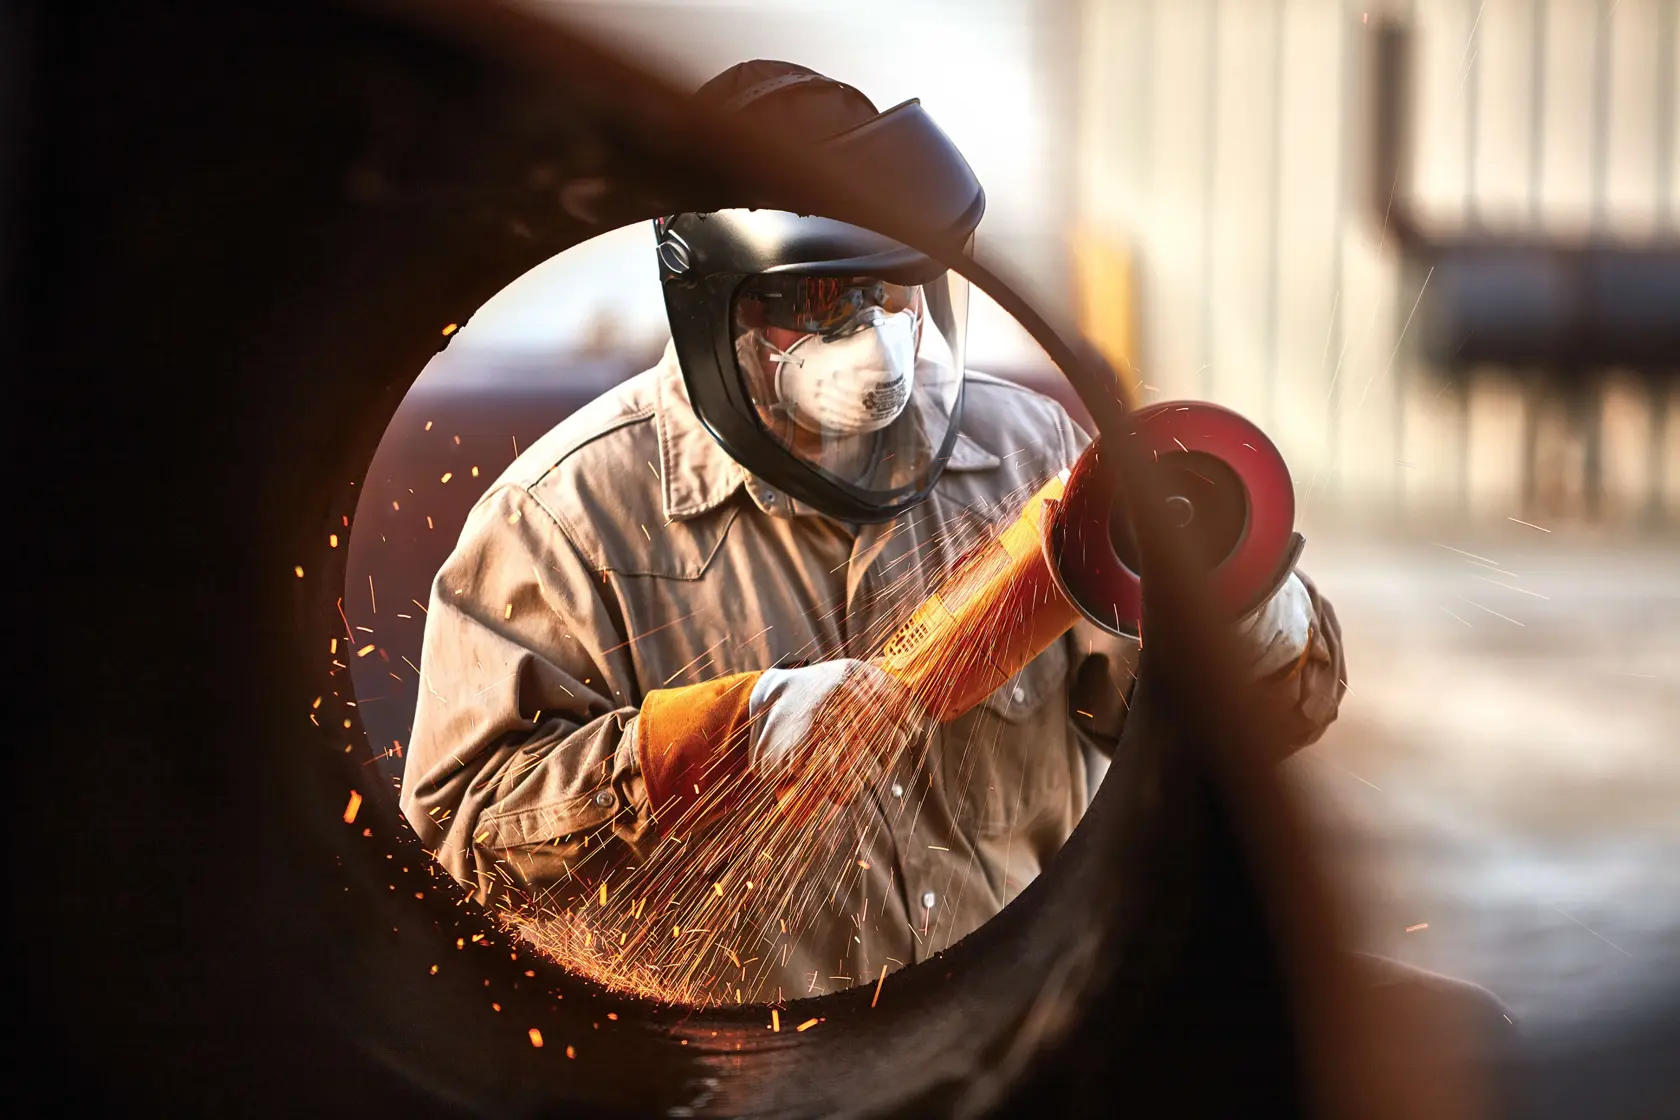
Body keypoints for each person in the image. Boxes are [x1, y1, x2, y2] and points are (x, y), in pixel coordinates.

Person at [399, 60, 1345, 1005]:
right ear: (715, 305)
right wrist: (721, 742)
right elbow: (461, 837)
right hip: (757, 1073)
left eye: (896, 293)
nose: (882, 342)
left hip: (1017, 1034)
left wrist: (1246, 613)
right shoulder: (564, 522)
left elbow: (1238, 733)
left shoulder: (1030, 454)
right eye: (826, 304)